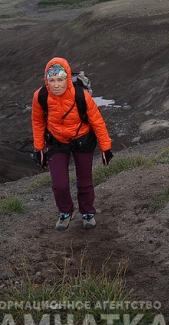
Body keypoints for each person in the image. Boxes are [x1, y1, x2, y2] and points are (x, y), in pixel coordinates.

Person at [31, 57, 114, 231]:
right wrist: (39, 149)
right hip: (57, 141)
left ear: (67, 79)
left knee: (84, 181)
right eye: (52, 80)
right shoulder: (40, 96)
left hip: (82, 139)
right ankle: (65, 212)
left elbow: (97, 121)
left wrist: (106, 148)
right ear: (46, 81)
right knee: (59, 184)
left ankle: (87, 213)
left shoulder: (81, 95)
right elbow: (38, 122)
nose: (56, 85)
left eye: (60, 80)